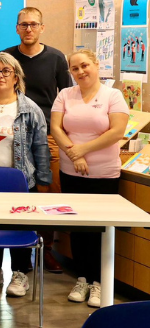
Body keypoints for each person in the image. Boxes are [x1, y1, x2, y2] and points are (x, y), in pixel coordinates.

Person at [51, 49, 129, 308]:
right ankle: (83, 278)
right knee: (79, 230)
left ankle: (99, 284)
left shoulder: (113, 95)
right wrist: (74, 157)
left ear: (96, 65)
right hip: (71, 173)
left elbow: (117, 131)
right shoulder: (65, 95)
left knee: (101, 231)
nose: (80, 72)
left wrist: (80, 151)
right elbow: (56, 128)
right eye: (75, 68)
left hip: (104, 174)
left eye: (85, 66)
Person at [0, 52, 51, 297]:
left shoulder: (29, 109)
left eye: (6, 71)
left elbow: (40, 147)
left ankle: (20, 273)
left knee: (18, 226)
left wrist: (44, 181)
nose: (0, 75)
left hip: (20, 180)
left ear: (16, 77)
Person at [3, 7, 73, 273]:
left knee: (47, 191)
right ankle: (16, 251)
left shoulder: (56, 58)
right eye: (24, 25)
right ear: (17, 28)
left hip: (47, 135)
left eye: (33, 24)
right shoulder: (7, 57)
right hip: (12, 134)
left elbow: (65, 98)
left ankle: (46, 250)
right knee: (14, 192)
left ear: (42, 27)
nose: (29, 29)